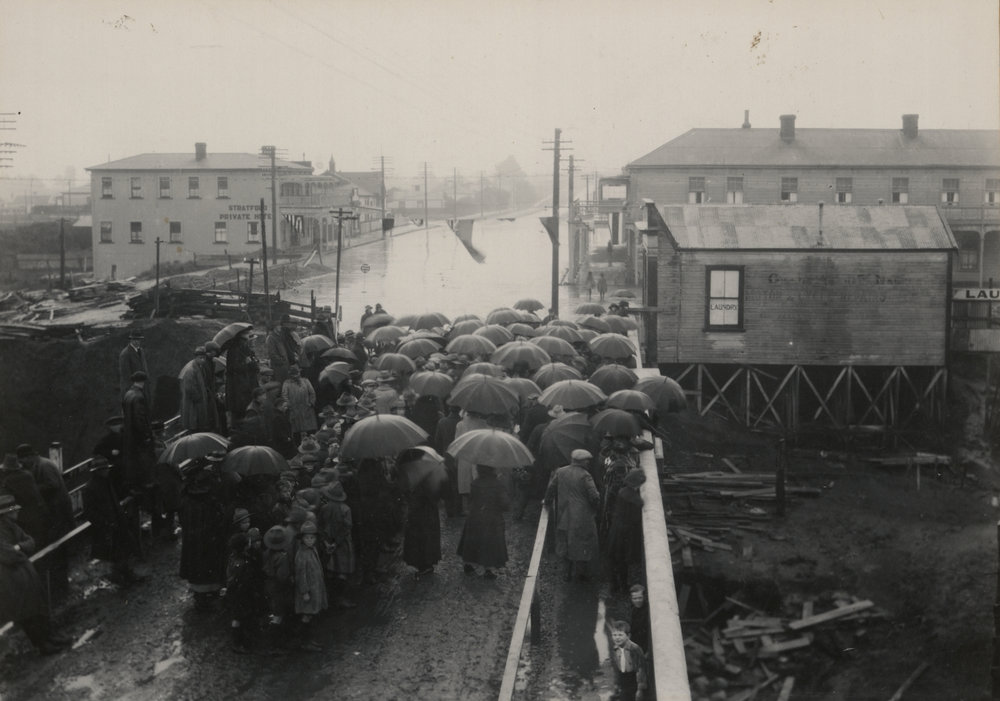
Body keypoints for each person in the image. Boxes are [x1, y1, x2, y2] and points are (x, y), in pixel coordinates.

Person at [0, 494, 71, 655]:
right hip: (10, 578)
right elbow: (7, 554)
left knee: (37, 605)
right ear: (5, 513)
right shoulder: (2, 530)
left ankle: (50, 637)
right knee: (26, 611)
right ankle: (42, 644)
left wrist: (19, 547)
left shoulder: (12, 526)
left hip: (23, 571)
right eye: (13, 511)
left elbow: (31, 542)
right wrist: (20, 548)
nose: (17, 513)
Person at [179, 454, 229, 611]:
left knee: (196, 562)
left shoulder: (186, 494)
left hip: (193, 537)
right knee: (211, 561)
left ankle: (199, 596)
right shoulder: (210, 493)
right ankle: (212, 592)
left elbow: (181, 516)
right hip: (210, 535)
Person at [82, 456, 142, 585]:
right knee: (114, 553)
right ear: (97, 471)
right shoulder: (90, 488)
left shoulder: (106, 483)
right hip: (107, 526)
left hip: (117, 521)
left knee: (124, 549)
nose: (107, 471)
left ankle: (126, 573)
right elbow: (90, 512)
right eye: (104, 469)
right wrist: (105, 523)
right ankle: (120, 577)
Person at [545, 449, 600, 582]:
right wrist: (596, 507)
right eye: (586, 460)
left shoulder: (561, 471)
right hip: (581, 517)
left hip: (564, 514)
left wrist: (547, 501)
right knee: (582, 543)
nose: (588, 462)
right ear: (581, 462)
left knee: (565, 543)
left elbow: (551, 489)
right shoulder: (585, 476)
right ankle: (581, 574)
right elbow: (594, 496)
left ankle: (566, 574)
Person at [456, 464, 510, 579]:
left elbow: (471, 500)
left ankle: (468, 563)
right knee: (490, 542)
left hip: (475, 516)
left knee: (473, 540)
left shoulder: (475, 482)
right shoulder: (498, 484)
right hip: (492, 517)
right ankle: (488, 569)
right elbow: (505, 504)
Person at [15, 444, 73, 546]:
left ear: (28, 457)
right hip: (53, 504)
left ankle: (65, 552)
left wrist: (33, 489)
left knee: (62, 531)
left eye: (22, 460)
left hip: (58, 503)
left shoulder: (45, 465)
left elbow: (53, 484)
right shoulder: (36, 465)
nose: (22, 464)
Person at [400, 451, 442, 578]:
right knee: (425, 538)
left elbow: (419, 496)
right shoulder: (427, 472)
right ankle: (426, 564)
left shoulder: (418, 476)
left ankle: (424, 565)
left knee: (421, 538)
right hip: (428, 512)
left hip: (421, 513)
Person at [607, 470, 646, 595]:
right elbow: (636, 517)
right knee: (623, 559)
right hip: (625, 533)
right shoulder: (634, 499)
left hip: (615, 529)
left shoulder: (622, 492)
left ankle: (614, 586)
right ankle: (623, 586)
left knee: (613, 558)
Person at [317, 481, 355, 607]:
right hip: (343, 544)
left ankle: (331, 598)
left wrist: (326, 542)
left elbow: (320, 526)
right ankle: (342, 598)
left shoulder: (324, 508)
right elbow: (347, 528)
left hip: (328, 542)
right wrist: (337, 542)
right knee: (343, 571)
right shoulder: (346, 509)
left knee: (331, 569)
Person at [294, 520, 327, 651]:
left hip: (315, 589)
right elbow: (300, 575)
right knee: (307, 615)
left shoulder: (312, 550)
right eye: (307, 538)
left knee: (312, 614)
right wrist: (305, 592)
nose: (310, 540)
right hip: (308, 592)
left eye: (312, 538)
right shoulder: (301, 554)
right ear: (302, 539)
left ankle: (309, 640)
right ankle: (305, 641)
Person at [178, 346, 217, 433]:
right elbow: (189, 388)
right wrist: (198, 398)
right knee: (194, 422)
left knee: (199, 421)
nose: (203, 360)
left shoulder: (200, 368)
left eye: (204, 358)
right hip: (194, 403)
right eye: (200, 358)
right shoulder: (191, 370)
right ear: (195, 358)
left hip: (199, 401)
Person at [226, 327, 260, 425]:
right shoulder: (235, 350)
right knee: (242, 410)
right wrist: (248, 364)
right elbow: (235, 368)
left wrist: (253, 362)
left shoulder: (245, 349)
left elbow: (255, 368)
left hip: (246, 384)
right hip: (241, 386)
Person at [433, 404, 462, 517]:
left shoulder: (442, 422)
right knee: (458, 483)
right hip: (458, 456)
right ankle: (459, 509)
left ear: (449, 409)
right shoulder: (461, 422)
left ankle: (449, 509)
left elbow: (437, 440)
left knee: (448, 483)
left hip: (446, 456)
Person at [609, 619, 648, 701]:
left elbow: (641, 669)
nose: (617, 638)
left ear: (628, 636)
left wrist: (640, 690)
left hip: (634, 679)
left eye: (620, 635)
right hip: (623, 678)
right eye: (614, 635)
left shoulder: (634, 649)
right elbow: (616, 667)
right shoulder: (615, 649)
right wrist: (616, 684)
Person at [282, 364, 317, 441]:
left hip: (307, 409)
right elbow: (284, 396)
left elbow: (312, 393)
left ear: (299, 373)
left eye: (297, 373)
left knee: (310, 430)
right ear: (290, 375)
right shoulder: (287, 383)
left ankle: (312, 445)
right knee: (296, 432)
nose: (295, 376)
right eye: (293, 374)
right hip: (295, 410)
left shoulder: (305, 381)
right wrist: (290, 406)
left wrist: (311, 403)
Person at [266, 315, 301, 383]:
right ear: (274, 328)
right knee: (281, 383)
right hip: (278, 367)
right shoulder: (271, 338)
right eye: (279, 326)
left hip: (285, 365)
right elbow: (272, 354)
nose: (281, 327)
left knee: (286, 382)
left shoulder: (279, 336)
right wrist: (282, 361)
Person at [118, 329, 149, 402]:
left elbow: (144, 368)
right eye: (134, 339)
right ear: (130, 340)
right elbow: (126, 377)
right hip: (133, 391)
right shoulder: (125, 354)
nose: (137, 341)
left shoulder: (141, 351)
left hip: (143, 387)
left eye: (138, 339)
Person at [628, 584, 651, 658]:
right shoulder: (633, 610)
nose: (637, 601)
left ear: (644, 597)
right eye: (635, 598)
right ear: (631, 599)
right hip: (635, 643)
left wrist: (648, 651)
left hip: (645, 646)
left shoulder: (649, 611)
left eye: (640, 598)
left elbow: (650, 634)